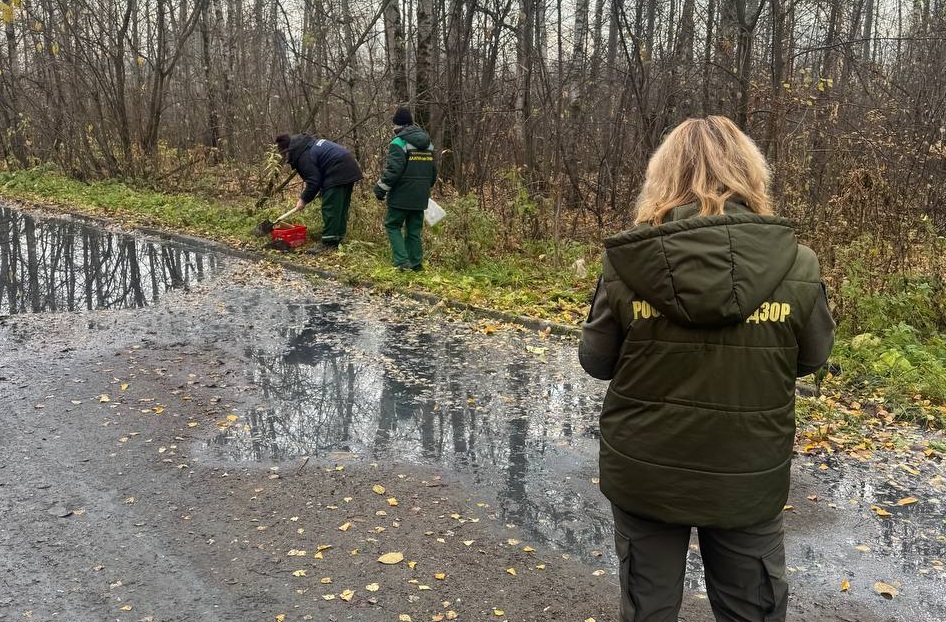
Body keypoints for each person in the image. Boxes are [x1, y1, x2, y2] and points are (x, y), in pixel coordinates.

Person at [579, 115, 835, 622]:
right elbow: (812, 358)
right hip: (747, 472)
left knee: (648, 607)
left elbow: (597, 361)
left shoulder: (629, 263)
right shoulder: (797, 264)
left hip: (646, 472)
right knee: (752, 609)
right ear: (750, 173)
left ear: (664, 177)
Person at [274, 133, 363, 254]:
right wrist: (321, 190)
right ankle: (338, 239)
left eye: (284, 154)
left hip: (338, 168)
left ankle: (328, 244)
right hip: (348, 166)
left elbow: (313, 180)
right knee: (339, 207)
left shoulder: (304, 155)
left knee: (330, 208)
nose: (284, 158)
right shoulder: (306, 147)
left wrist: (303, 199)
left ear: (289, 150)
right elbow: (318, 176)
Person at [373, 106, 437, 271]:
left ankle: (402, 262)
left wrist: (380, 189)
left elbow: (393, 170)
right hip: (421, 195)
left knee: (392, 225)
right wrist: (424, 188)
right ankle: (416, 264)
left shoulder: (398, 142)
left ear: (397, 126)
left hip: (402, 194)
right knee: (414, 230)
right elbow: (433, 171)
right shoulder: (428, 143)